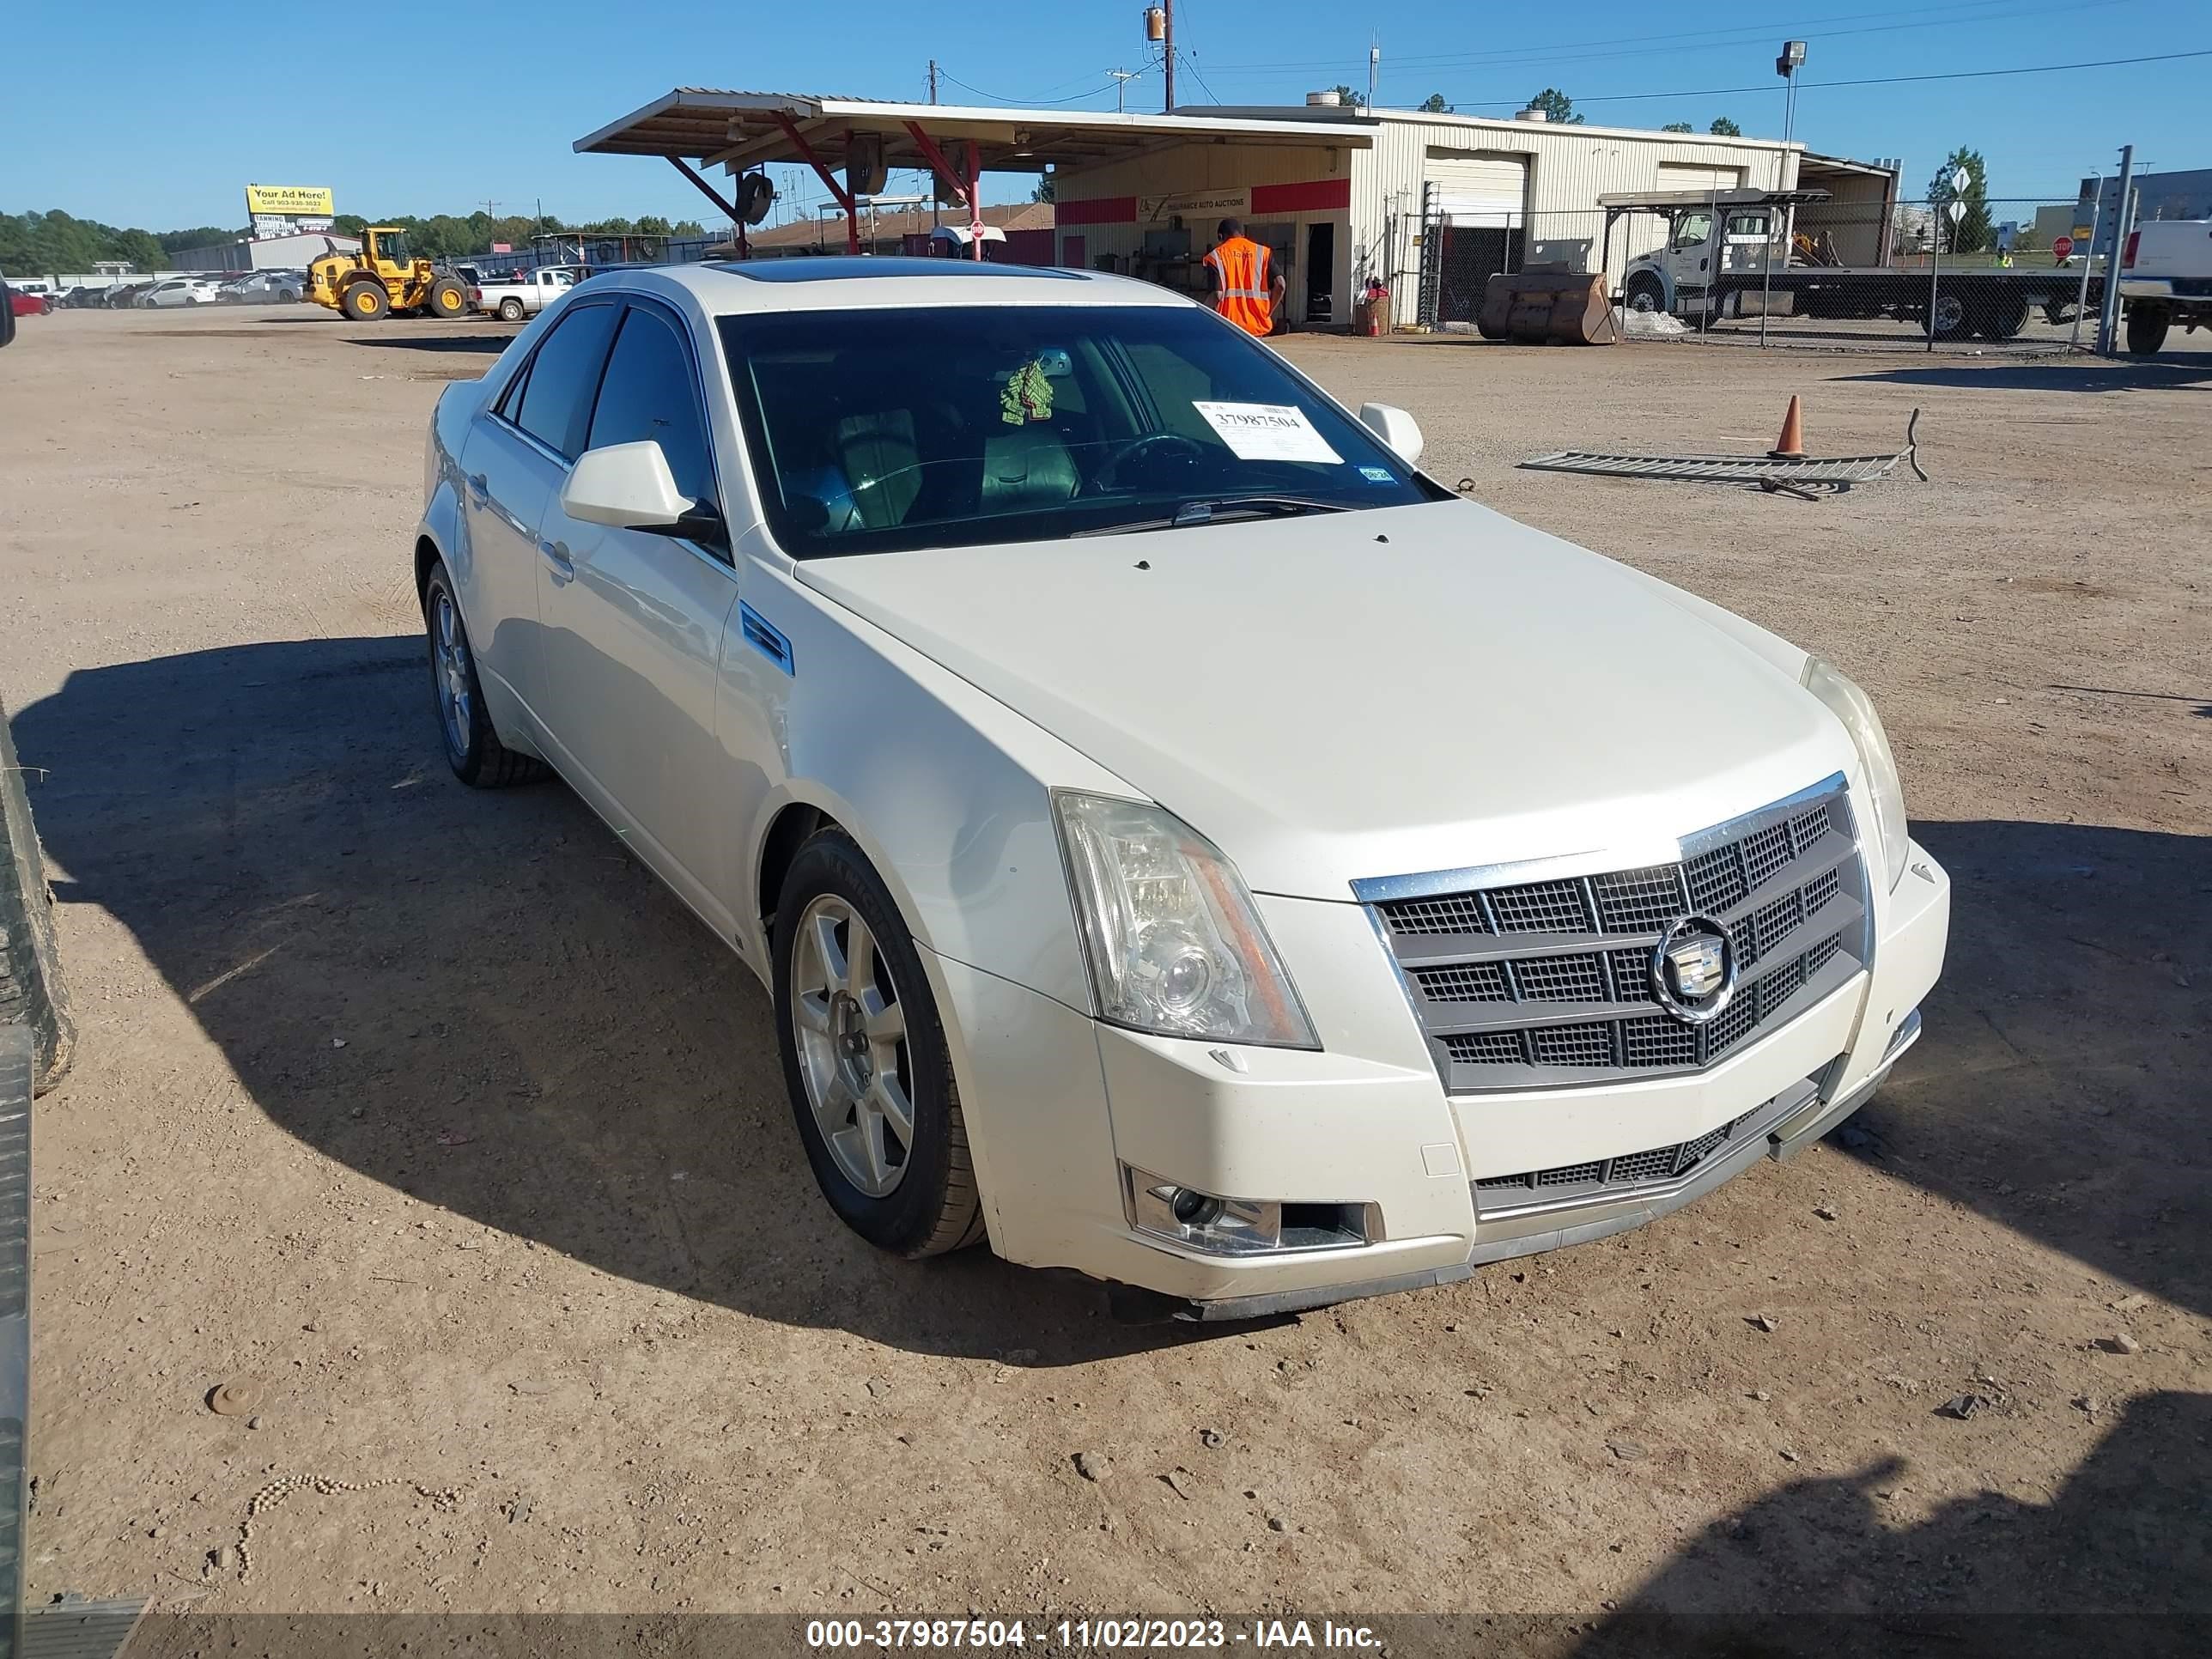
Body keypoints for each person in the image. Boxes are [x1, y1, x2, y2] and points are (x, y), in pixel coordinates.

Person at [1203, 217, 1287, 338]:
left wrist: (1201, 313)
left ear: (1220, 237)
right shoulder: (1263, 253)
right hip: (1256, 330)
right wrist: (1267, 313)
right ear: (1242, 235)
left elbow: (1217, 295)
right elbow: (1281, 285)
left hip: (1228, 328)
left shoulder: (1216, 256)